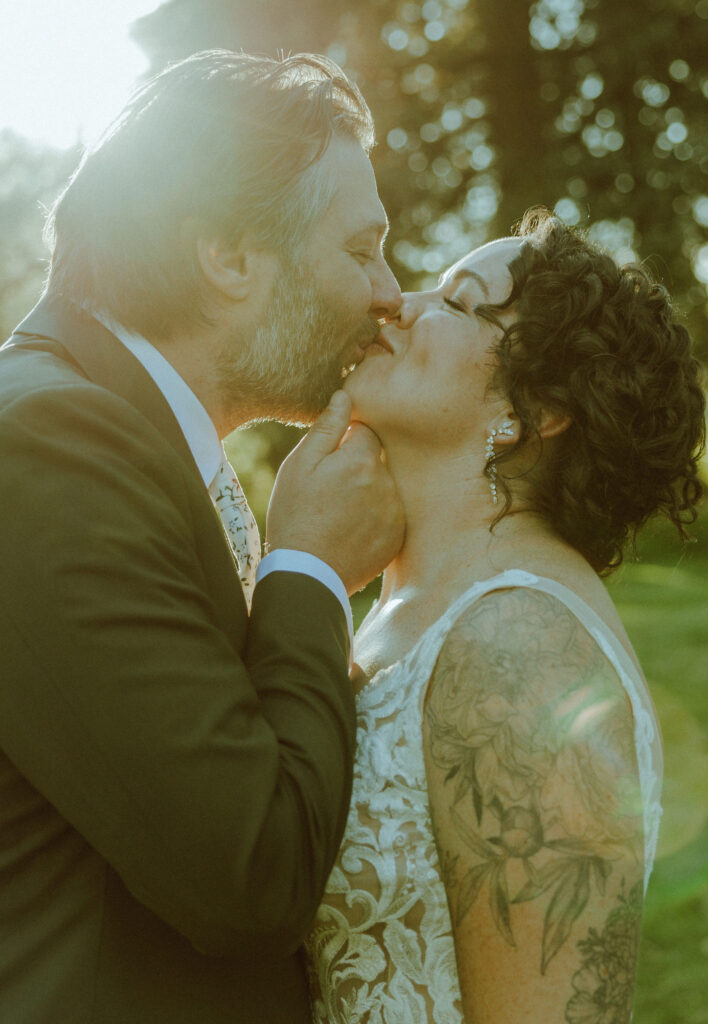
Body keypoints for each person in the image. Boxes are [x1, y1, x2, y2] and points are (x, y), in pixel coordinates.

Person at [0, 51, 404, 1024]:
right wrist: (307, 565)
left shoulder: (110, 427)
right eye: (360, 249)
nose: (392, 292)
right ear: (227, 256)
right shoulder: (49, 444)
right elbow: (247, 873)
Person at [306, 208, 706, 1023]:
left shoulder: (521, 646)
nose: (401, 304)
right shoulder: (396, 605)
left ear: (534, 410)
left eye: (458, 304)